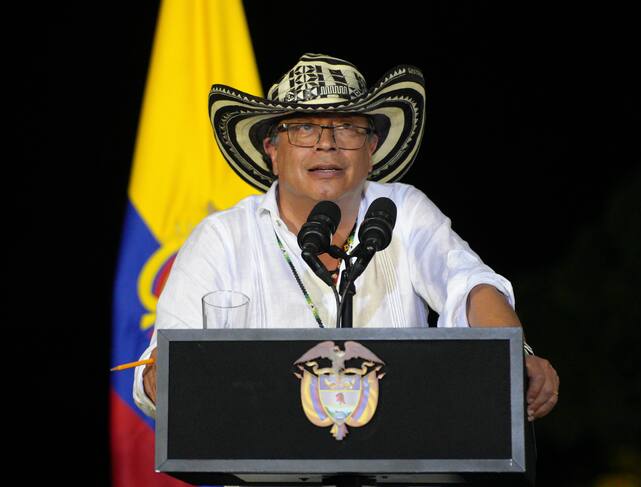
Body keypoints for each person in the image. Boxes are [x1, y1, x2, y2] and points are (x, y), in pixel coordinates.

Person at [133, 53, 559, 422]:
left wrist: (516, 357)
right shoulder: (222, 237)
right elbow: (159, 370)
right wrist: (164, 376)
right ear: (272, 149)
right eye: (304, 127)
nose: (327, 144)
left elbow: (469, 284)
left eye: (347, 127)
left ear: (371, 147)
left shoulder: (403, 209)